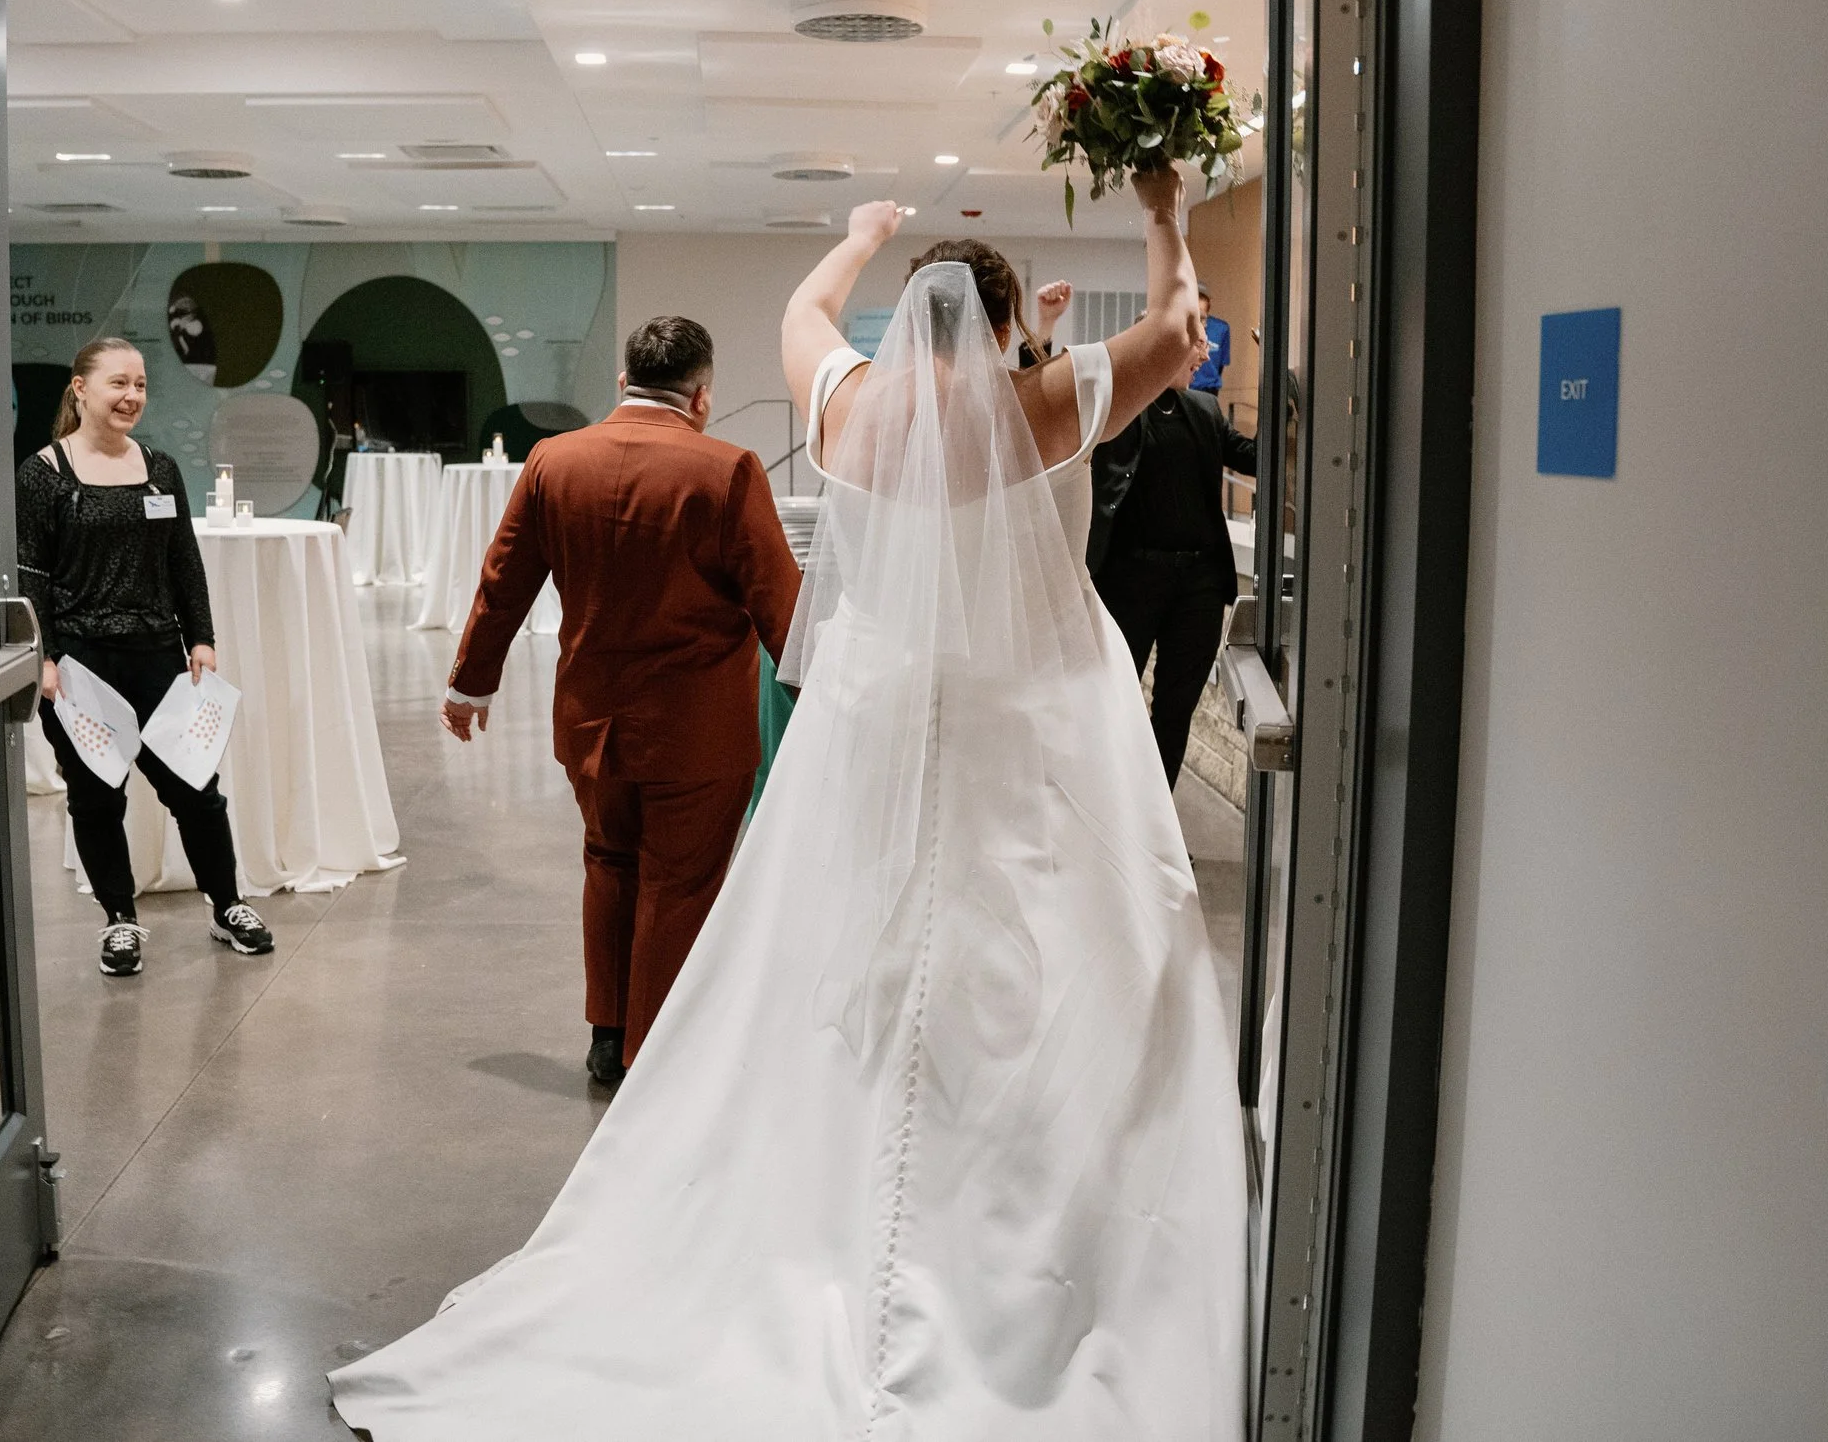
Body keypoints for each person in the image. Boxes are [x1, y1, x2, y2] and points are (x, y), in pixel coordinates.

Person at [331, 169, 1248, 1439]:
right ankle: (1007, 1221)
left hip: (870, 730)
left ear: (907, 326)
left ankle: (830, 1194)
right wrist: (1162, 214)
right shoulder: (1046, 404)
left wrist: (859, 238)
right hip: (1024, 726)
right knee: (1026, 961)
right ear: (997, 328)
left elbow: (803, 313)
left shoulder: (848, 406)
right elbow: (1179, 333)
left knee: (846, 958)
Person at [438, 315, 801, 1088]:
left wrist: (471, 682)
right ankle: (655, 1052)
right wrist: (825, 697)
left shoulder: (553, 460)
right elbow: (783, 611)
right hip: (697, 730)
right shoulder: (728, 468)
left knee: (608, 862)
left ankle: (608, 1034)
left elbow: (503, 582)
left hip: (591, 722)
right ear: (701, 397)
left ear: (622, 383)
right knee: (680, 879)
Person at [17, 337, 273, 976]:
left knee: (195, 790)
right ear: (81, 389)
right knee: (97, 798)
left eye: (140, 385)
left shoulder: (160, 468)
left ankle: (227, 904)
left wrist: (203, 638)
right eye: (118, 384)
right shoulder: (44, 473)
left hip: (160, 656)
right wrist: (43, 658)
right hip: (80, 668)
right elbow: (31, 576)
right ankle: (119, 919)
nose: (132, 396)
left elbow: (183, 559)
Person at [1089, 305, 1259, 786]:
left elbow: (1254, 459)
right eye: (1197, 344)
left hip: (1198, 586)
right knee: (1114, 702)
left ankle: (1156, 834)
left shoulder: (1203, 409)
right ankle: (1114, 819)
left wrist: (1280, 391)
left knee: (1175, 710)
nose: (1204, 355)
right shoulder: (1116, 405)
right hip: (1128, 580)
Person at [1189, 284, 1232, 392]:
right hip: (1187, 386)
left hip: (1209, 387)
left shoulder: (1221, 328)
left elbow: (1222, 363)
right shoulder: (1182, 327)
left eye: (1203, 318)